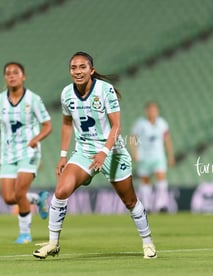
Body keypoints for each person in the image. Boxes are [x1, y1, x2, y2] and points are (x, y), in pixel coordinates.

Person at [33, 52, 157, 259]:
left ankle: (148, 243)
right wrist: (63, 155)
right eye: (73, 68)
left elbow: (116, 126)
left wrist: (104, 152)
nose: (77, 71)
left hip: (113, 152)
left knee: (130, 201)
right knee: (61, 191)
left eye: (82, 67)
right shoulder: (66, 94)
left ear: (91, 70)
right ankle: (53, 244)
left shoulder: (104, 90)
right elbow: (66, 123)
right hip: (84, 152)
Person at [0, 62, 52, 244]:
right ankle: (38, 199)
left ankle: (25, 233)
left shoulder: (33, 99)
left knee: (19, 192)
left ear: (24, 76)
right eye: (8, 73)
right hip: (7, 153)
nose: (11, 76)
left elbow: (48, 125)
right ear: (5, 77)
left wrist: (36, 139)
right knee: (8, 198)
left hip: (29, 152)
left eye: (16, 72)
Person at [130, 102, 175, 213]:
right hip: (144, 157)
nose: (152, 112)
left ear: (157, 111)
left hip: (158, 156)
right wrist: (134, 152)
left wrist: (170, 155)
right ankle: (147, 206)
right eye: (150, 110)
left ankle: (161, 205)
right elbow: (132, 138)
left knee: (161, 177)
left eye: (154, 110)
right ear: (146, 111)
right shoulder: (140, 123)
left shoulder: (162, 123)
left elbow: (167, 140)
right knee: (145, 181)